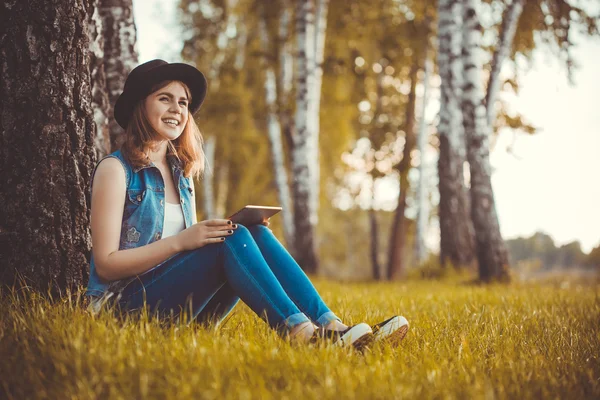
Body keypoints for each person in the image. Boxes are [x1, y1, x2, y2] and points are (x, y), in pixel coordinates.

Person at [86, 59, 409, 348]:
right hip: (123, 311)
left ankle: (332, 326)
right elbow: (106, 264)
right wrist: (181, 242)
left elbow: (190, 256)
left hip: (181, 310)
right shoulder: (115, 171)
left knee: (248, 231)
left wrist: (229, 234)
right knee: (233, 235)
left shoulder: (181, 175)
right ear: (140, 106)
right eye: (164, 99)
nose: (177, 110)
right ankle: (304, 336)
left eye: (183, 102)